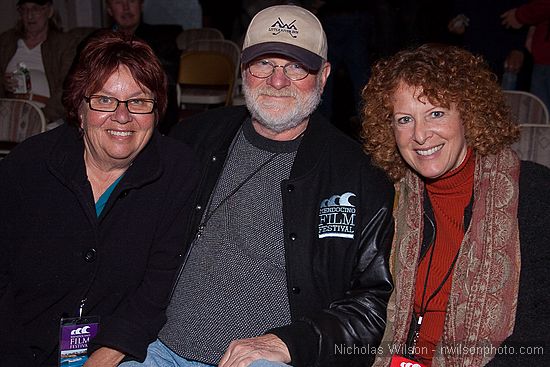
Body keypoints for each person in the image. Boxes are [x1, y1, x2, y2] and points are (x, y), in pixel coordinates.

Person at [121, 5, 395, 367]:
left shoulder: (356, 173)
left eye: (297, 66)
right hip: (158, 349)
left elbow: (371, 303)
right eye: (264, 63)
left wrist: (291, 343)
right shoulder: (193, 140)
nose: (277, 80)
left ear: (324, 75)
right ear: (243, 70)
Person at [0, 30, 198, 367]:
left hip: (116, 353)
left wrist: (109, 352)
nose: (122, 116)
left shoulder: (177, 171)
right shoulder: (28, 166)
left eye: (138, 101)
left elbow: (162, 283)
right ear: (79, 106)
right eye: (104, 100)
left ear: (156, 110)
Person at [361, 43, 550, 366]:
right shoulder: (386, 198)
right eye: (404, 119)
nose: (420, 135)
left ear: (468, 113)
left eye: (436, 113)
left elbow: (540, 330)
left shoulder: (533, 193)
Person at [105, 0, 182, 134]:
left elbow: (165, 84)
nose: (126, 7)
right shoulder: (98, 42)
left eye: (132, 1)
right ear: (109, 10)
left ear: (141, 5)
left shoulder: (163, 39)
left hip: (154, 119)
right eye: (118, 2)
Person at [0, 0, 76, 124]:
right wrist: (3, 82)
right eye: (25, 10)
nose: (29, 15)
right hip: (8, 110)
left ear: (49, 11)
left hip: (46, 113)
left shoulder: (64, 44)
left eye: (36, 9)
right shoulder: (6, 42)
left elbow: (68, 85)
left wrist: (44, 116)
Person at [501, 0, 550, 110]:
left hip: (545, 59)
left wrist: (520, 15)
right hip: (541, 55)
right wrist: (533, 27)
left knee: (540, 116)